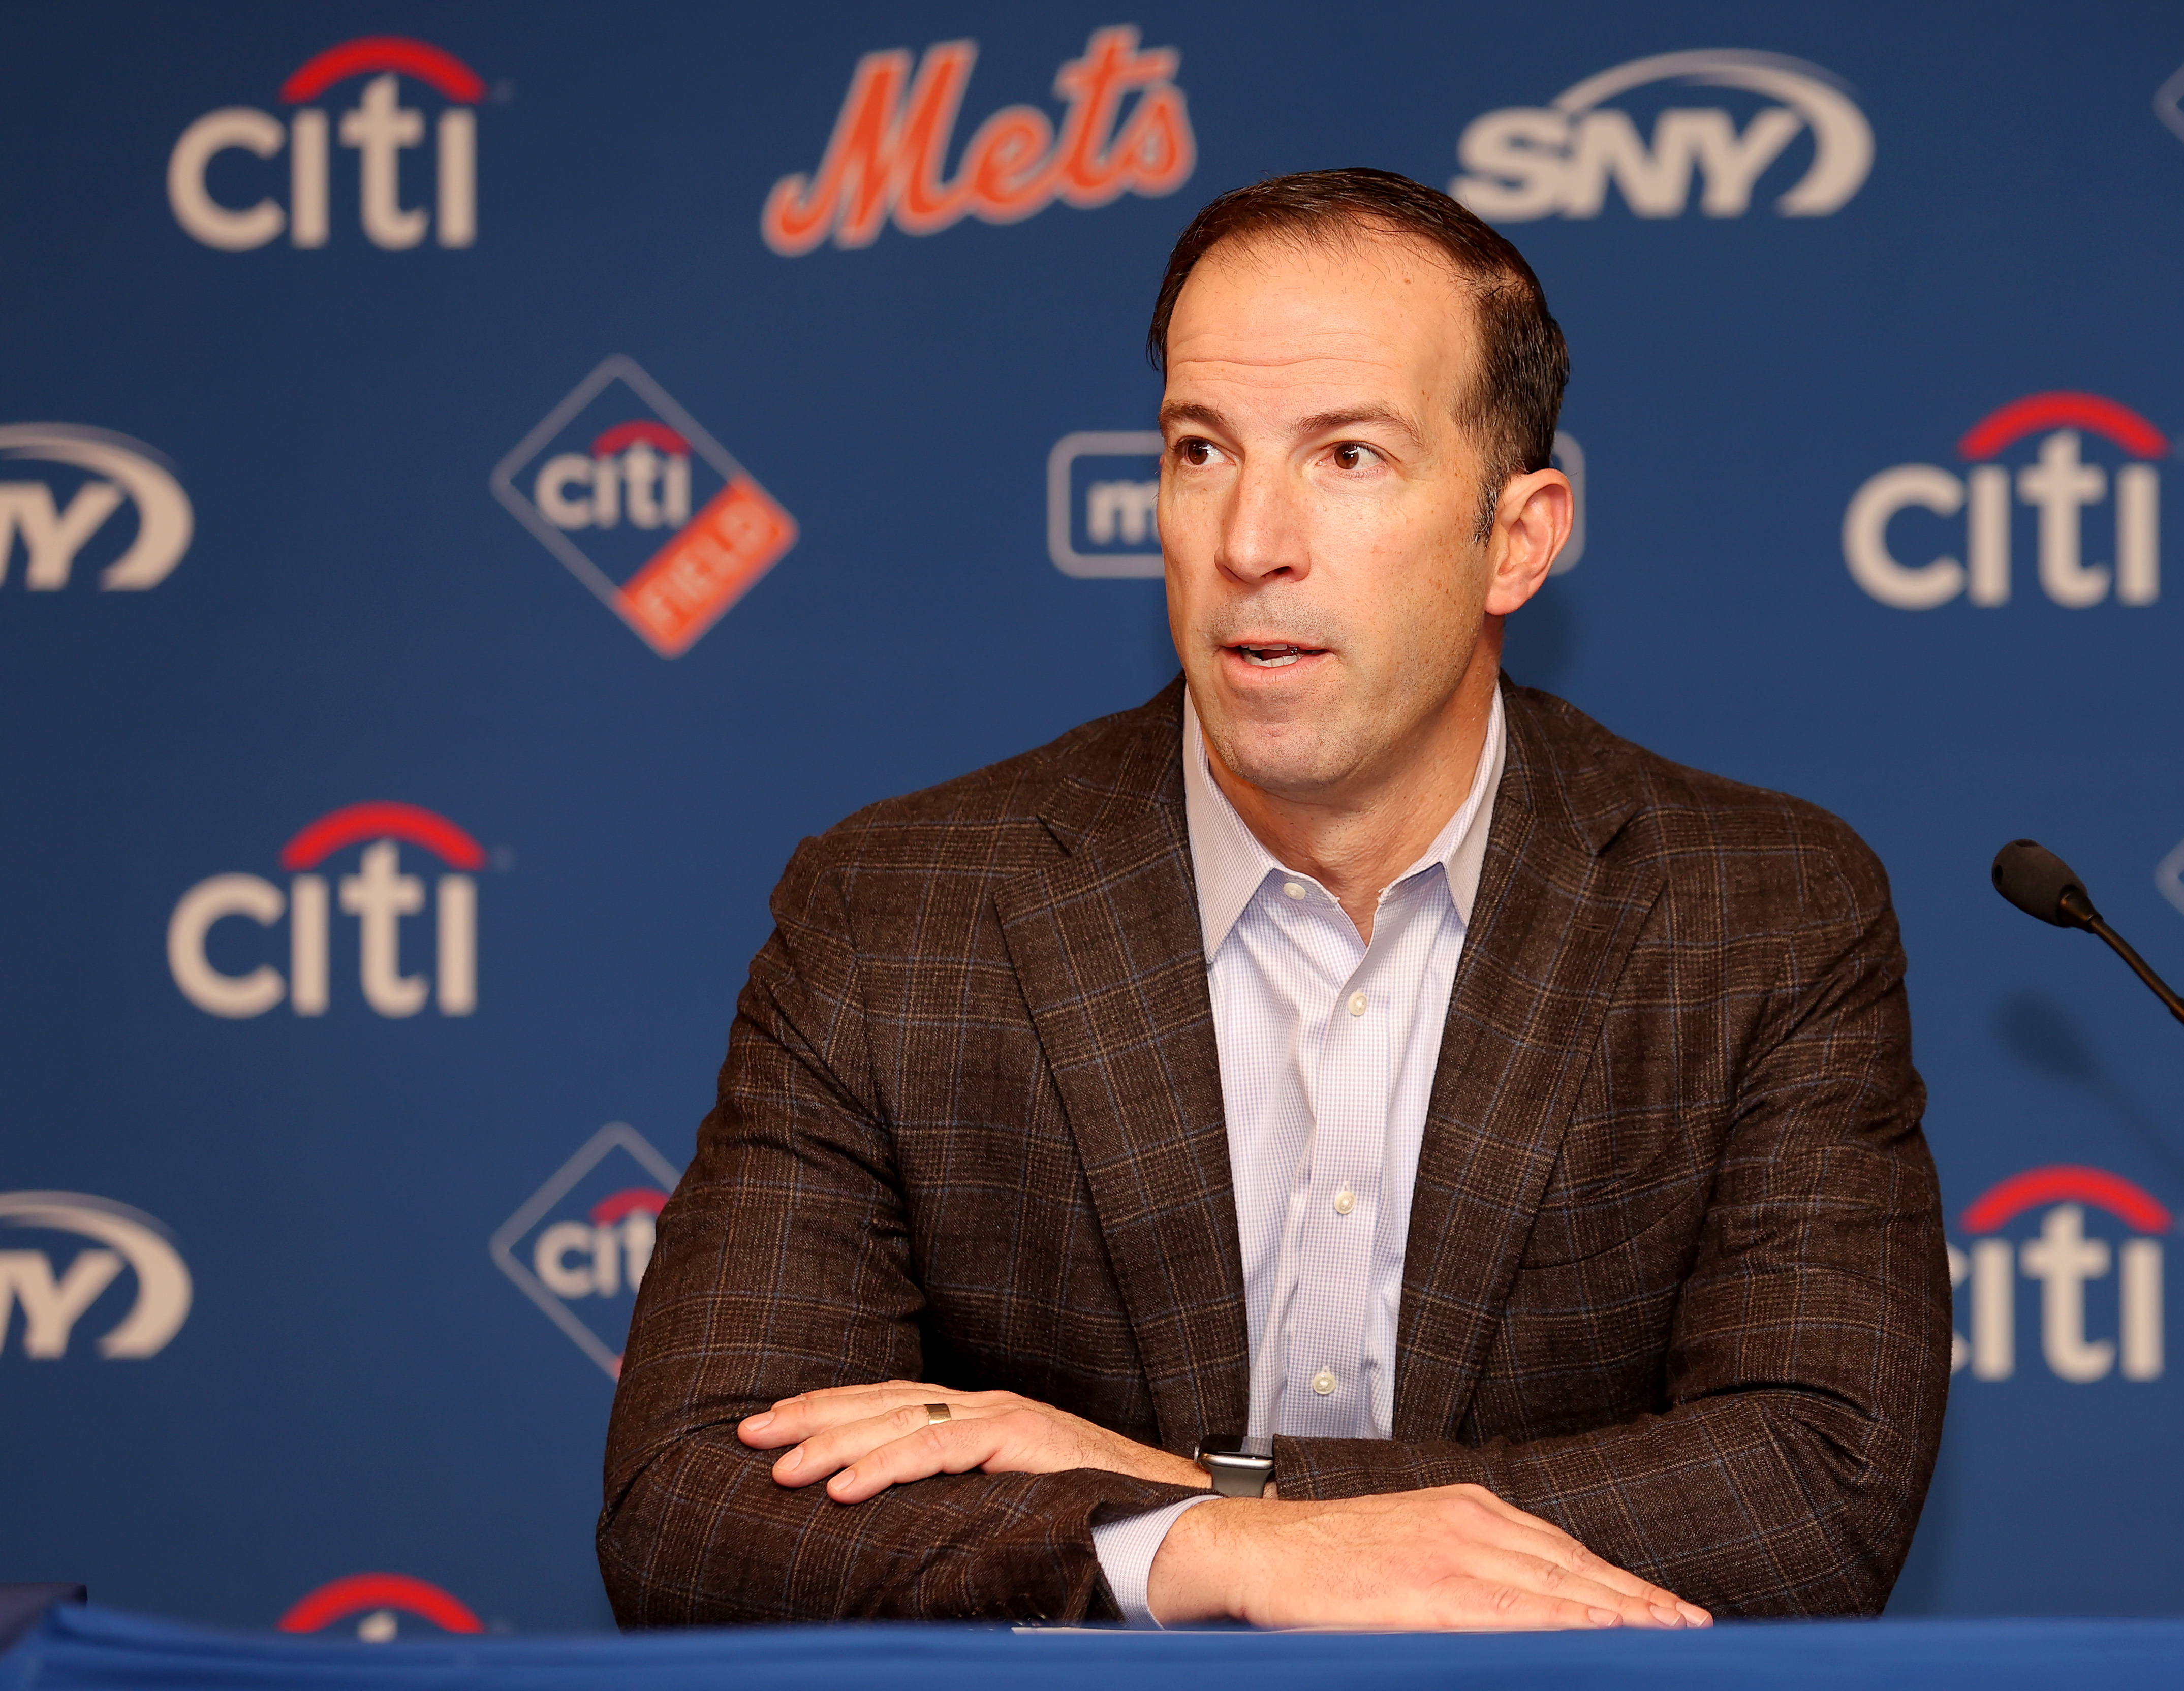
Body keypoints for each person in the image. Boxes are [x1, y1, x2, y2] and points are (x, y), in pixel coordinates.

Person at [600, 168, 1948, 1630]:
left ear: (1518, 537)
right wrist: (1206, 1548)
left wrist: (1192, 1484)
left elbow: (1814, 1490)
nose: (1251, 542)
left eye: (1349, 457)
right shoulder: (900, 915)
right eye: (1200, 450)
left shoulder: (1759, 912)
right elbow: (691, 1507)